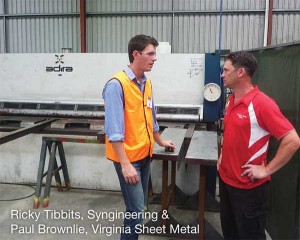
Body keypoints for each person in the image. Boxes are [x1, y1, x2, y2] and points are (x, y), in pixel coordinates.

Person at [218, 51, 300, 239]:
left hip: (248, 190)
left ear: (241, 72)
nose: (222, 74)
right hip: (226, 181)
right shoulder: (231, 100)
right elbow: (231, 132)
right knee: (230, 233)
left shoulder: (262, 104)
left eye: (226, 70)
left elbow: (292, 140)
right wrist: (223, 155)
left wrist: (266, 170)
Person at [102, 34, 176, 240]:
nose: (154, 58)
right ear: (136, 54)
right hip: (129, 159)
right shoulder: (116, 85)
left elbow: (150, 117)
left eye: (155, 54)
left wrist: (160, 141)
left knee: (137, 209)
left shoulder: (146, 83)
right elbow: (113, 130)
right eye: (150, 53)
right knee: (137, 211)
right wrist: (125, 164)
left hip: (145, 154)